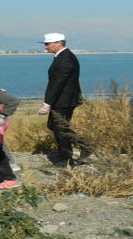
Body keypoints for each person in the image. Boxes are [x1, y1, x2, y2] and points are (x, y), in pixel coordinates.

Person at [36, 33, 87, 168]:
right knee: (54, 125)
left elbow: (59, 83)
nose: (45, 47)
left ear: (59, 43)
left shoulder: (65, 59)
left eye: (48, 44)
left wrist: (47, 103)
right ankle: (84, 145)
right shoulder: (62, 57)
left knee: (60, 128)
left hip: (65, 99)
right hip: (62, 99)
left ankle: (65, 158)